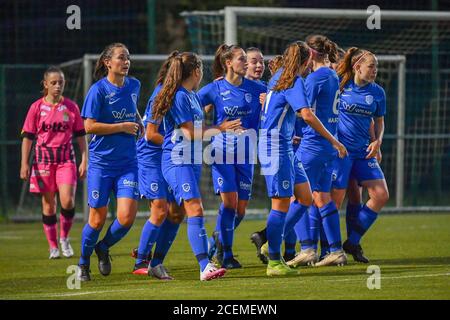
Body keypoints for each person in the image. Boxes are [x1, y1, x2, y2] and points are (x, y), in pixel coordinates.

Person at [259, 41, 346, 276]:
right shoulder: (294, 81)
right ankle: (274, 261)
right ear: (306, 61)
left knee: (305, 197)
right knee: (281, 204)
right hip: (275, 147)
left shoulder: (279, 75)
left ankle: (272, 244)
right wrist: (334, 140)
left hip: (283, 144)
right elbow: (306, 115)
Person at [152, 51, 241, 281]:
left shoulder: (191, 95)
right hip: (176, 159)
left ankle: (155, 263)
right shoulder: (180, 96)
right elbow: (190, 134)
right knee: (195, 208)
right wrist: (221, 129)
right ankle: (205, 266)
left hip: (190, 161)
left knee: (176, 214)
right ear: (196, 71)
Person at [77, 43, 144, 281]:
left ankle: (103, 248)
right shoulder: (98, 91)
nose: (126, 62)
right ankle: (83, 264)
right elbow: (88, 126)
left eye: (128, 57)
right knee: (97, 219)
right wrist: (122, 127)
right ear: (108, 62)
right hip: (102, 165)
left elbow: (132, 109)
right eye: (121, 57)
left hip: (128, 164)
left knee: (126, 219)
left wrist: (139, 122)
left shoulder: (134, 85)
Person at [197, 44, 266, 269]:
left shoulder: (258, 89)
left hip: (246, 154)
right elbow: (188, 107)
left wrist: (268, 104)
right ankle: (226, 255)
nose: (246, 62)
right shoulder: (214, 89)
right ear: (228, 63)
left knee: (241, 210)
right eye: (241, 59)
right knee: (230, 203)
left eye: (246, 59)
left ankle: (214, 240)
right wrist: (215, 125)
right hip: (221, 153)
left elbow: (277, 108)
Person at [20, 66, 87, 259]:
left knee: (68, 200)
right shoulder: (36, 107)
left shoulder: (71, 106)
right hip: (43, 162)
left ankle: (64, 238)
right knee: (49, 205)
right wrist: (24, 163)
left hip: (66, 160)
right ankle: (53, 246)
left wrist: (84, 159)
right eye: (54, 83)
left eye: (61, 83)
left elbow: (81, 136)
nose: (58, 86)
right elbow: (28, 137)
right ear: (45, 84)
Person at [331, 47, 389, 263]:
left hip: (364, 151)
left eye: (376, 66)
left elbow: (378, 120)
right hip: (341, 152)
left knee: (381, 195)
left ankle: (353, 241)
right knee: (335, 202)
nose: (375, 70)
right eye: (371, 66)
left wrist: (378, 142)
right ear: (357, 67)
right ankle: (329, 248)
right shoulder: (339, 85)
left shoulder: (377, 92)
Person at [131, 51, 184, 280]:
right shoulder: (161, 95)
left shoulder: (184, 94)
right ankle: (140, 261)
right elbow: (151, 134)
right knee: (161, 209)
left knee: (177, 212)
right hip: (151, 156)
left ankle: (157, 261)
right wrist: (178, 146)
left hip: (168, 155)